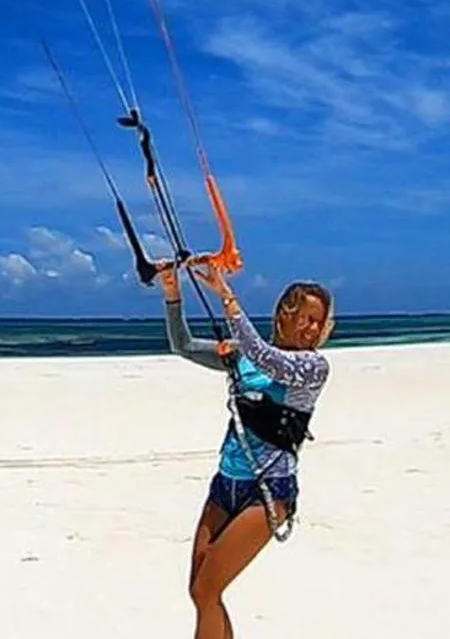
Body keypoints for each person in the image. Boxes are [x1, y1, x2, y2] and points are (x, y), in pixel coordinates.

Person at [159, 259, 334, 639]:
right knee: (200, 592)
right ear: (284, 315)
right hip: (226, 484)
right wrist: (173, 293)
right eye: (305, 317)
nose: (312, 328)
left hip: (269, 493)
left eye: (319, 322)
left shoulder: (312, 368)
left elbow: (264, 357)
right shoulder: (244, 355)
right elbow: (183, 345)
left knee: (208, 590)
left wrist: (226, 296)